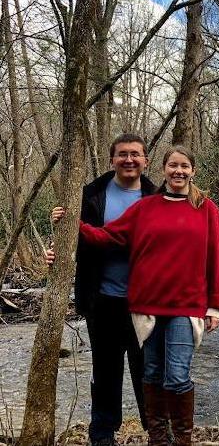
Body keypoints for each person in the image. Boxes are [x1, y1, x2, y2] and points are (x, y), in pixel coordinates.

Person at [52, 146, 219, 446]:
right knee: (152, 373)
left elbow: (216, 258)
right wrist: (71, 223)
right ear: (163, 169)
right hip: (147, 307)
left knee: (178, 376)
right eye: (173, 166)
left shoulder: (206, 208)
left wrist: (215, 306)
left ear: (193, 170)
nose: (178, 171)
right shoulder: (147, 207)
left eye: (184, 166)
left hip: (186, 308)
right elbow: (106, 235)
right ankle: (157, 439)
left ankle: (181, 439)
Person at [47, 133, 155, 446]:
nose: (129, 160)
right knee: (106, 371)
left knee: (147, 370)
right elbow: (72, 239)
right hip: (102, 299)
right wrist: (54, 248)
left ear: (146, 160)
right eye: (123, 154)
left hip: (145, 302)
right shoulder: (90, 194)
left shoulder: (156, 198)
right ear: (112, 160)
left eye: (136, 154)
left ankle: (157, 432)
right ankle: (103, 435)